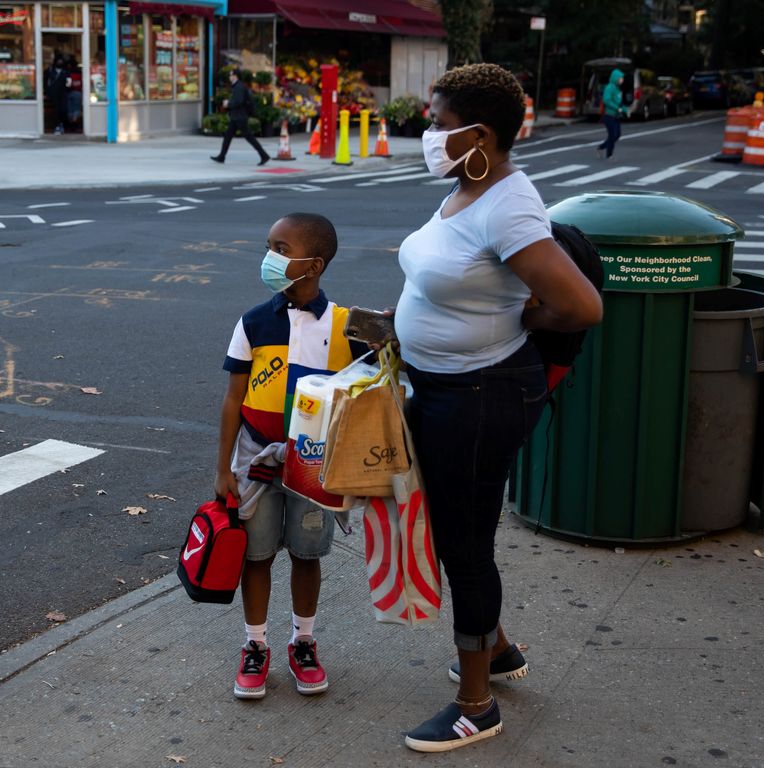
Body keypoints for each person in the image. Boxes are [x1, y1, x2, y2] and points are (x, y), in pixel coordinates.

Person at [393, 64, 602, 752]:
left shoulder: (508, 205)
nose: (430, 135)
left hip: (481, 397)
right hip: (445, 388)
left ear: (478, 134)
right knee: (451, 530)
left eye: (439, 123)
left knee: (466, 545)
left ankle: (476, 703)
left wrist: (517, 322)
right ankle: (500, 650)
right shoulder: (466, 188)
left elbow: (579, 305)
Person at [215, 213, 366, 700]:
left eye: (282, 249)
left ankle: (303, 641)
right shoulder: (254, 321)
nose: (270, 258)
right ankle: (254, 646)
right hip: (254, 460)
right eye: (269, 246)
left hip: (314, 467)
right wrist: (223, 470)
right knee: (255, 556)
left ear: (315, 263)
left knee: (307, 553)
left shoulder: (345, 326)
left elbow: (375, 384)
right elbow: (233, 399)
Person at [211, 69, 270, 166]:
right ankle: (222, 156)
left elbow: (238, 101)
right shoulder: (237, 86)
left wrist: (228, 104)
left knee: (249, 137)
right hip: (236, 117)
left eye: (231, 75)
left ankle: (264, 155)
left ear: (235, 76)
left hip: (240, 117)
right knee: (228, 136)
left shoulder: (239, 87)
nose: (229, 77)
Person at [597, 68, 628, 159]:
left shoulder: (618, 89)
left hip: (616, 116)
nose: (622, 80)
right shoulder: (609, 87)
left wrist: (625, 110)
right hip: (609, 115)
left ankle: (601, 147)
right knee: (612, 135)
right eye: (620, 78)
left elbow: (619, 102)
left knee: (617, 135)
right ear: (615, 78)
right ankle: (609, 155)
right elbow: (606, 100)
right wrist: (617, 108)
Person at [44, 55, 69, 134]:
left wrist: (68, 88)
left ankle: (61, 124)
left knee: (63, 109)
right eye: (58, 61)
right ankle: (57, 125)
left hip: (63, 93)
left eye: (61, 61)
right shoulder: (49, 71)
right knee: (56, 110)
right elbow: (45, 82)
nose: (60, 62)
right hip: (53, 93)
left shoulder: (66, 71)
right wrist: (47, 91)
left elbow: (69, 82)